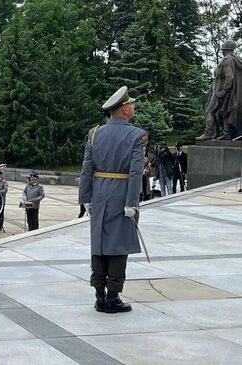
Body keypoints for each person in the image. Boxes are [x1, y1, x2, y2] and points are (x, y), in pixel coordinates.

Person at [79, 86, 148, 314]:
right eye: (132, 104)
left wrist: (85, 198)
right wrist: (132, 202)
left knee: (98, 244)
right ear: (124, 109)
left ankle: (99, 294)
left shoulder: (95, 133)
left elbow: (87, 169)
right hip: (121, 193)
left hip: (99, 193)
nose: (134, 107)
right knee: (118, 247)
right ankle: (112, 297)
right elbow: (136, 172)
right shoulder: (137, 135)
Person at [197, 40, 242, 140]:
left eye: (222, 49)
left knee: (210, 111)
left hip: (220, 91)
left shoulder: (226, 60)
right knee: (223, 112)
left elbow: (229, 77)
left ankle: (208, 132)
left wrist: (223, 91)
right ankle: (226, 133)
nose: (222, 51)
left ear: (225, 50)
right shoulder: (236, 59)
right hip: (227, 92)